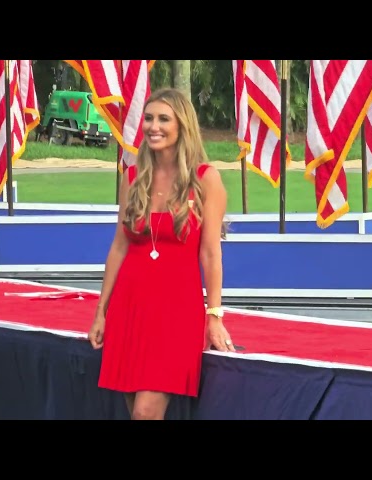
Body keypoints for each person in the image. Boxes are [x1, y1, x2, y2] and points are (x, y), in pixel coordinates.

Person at [87, 87, 235, 420]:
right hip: (130, 305)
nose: (154, 126)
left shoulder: (205, 180)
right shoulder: (132, 177)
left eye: (164, 119)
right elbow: (119, 246)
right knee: (133, 410)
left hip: (176, 312)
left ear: (183, 126)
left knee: (145, 413)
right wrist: (101, 311)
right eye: (149, 118)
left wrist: (214, 315)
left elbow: (211, 253)